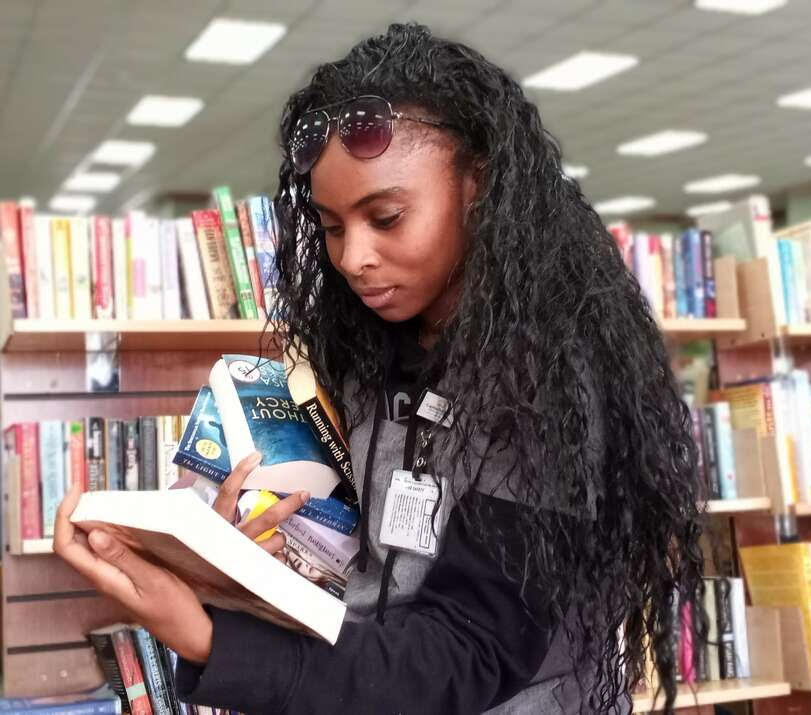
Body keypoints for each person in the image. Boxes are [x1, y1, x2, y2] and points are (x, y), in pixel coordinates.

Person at [54, 23, 705, 714]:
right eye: (333, 226)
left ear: (477, 185)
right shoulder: (363, 356)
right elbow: (365, 589)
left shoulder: (551, 387)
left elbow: (468, 652)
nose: (352, 257)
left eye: (386, 217)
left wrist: (215, 639)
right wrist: (244, 569)